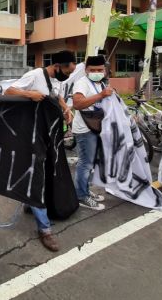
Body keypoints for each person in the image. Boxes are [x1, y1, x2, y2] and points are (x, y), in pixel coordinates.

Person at [5, 50, 76, 252]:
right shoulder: (35, 75)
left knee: (46, 174)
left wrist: (66, 109)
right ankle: (44, 229)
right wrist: (30, 94)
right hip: (30, 136)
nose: (68, 75)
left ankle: (32, 204)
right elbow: (8, 91)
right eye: (67, 71)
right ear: (57, 66)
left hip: (49, 136)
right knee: (36, 176)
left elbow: (57, 95)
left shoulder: (57, 80)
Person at [72, 55, 114, 211]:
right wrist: (101, 95)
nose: (96, 72)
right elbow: (77, 103)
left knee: (91, 163)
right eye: (93, 70)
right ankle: (81, 196)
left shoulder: (100, 83)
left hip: (95, 127)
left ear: (105, 70)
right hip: (85, 130)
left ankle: (85, 190)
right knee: (85, 164)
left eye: (100, 70)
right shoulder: (82, 83)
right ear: (86, 70)